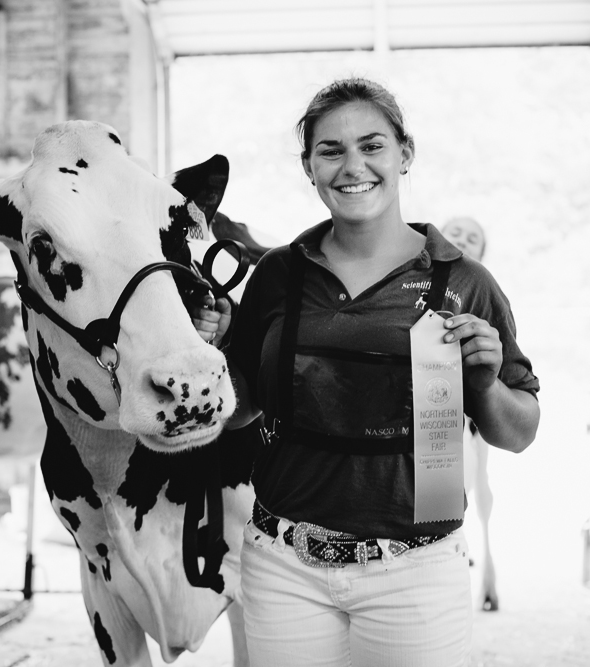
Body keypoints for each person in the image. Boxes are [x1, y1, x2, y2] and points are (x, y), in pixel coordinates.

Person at [193, 78, 540, 667]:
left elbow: (521, 432)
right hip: (284, 566)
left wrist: (482, 383)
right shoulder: (279, 274)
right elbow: (243, 410)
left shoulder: (462, 282)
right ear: (308, 166)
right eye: (330, 150)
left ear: (405, 154)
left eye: (371, 145)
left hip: (416, 569)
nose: (352, 166)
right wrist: (217, 353)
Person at [441, 216, 499, 613]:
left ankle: (487, 576)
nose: (462, 239)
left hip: (471, 415)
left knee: (479, 494)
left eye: (472, 237)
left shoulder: (483, 292)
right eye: (455, 232)